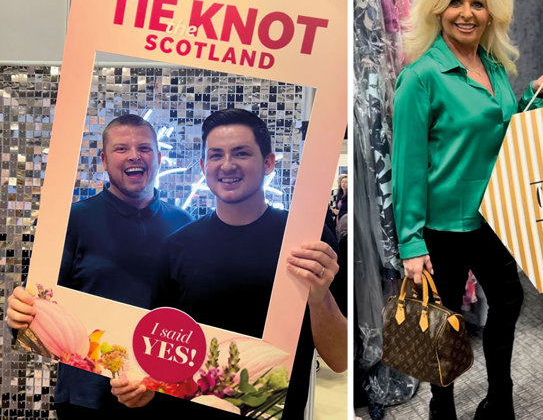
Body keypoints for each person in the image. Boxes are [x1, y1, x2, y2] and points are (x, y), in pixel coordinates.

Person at [391, 0, 543, 419]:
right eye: (456, 2)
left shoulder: (490, 65)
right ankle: (441, 405)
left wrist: (536, 92)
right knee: (442, 325)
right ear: (437, 9)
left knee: (509, 300)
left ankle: (500, 398)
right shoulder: (421, 76)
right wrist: (410, 242)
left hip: (492, 216)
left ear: (492, 13)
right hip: (443, 225)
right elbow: (406, 164)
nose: (466, 13)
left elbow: (503, 132)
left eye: (478, 4)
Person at [110, 109, 347, 418]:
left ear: (268, 163)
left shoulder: (307, 241)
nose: (227, 165)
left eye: (241, 153)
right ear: (203, 166)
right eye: (216, 155)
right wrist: (139, 387)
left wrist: (319, 298)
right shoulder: (177, 247)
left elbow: (339, 358)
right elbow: (159, 351)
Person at [6, 114, 192, 419]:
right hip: (85, 397)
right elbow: (37, 312)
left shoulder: (183, 224)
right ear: (104, 161)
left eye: (144, 148)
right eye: (121, 149)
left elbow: (190, 313)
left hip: (162, 394)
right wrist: (20, 316)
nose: (134, 155)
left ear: (158, 157)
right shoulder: (70, 222)